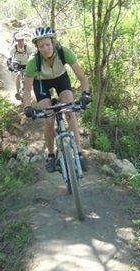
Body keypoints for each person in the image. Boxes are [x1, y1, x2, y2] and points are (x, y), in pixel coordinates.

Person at [22, 26, 91, 172]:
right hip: (41, 83)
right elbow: (27, 89)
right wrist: (27, 107)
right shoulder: (33, 61)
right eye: (41, 46)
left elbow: (83, 78)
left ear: (53, 42)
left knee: (70, 113)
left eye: (48, 44)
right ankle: (51, 156)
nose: (46, 48)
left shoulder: (64, 52)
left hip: (61, 79)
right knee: (48, 119)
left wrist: (85, 94)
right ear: (37, 48)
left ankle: (79, 154)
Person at [8, 31, 33, 100]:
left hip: (26, 62)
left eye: (22, 40)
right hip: (17, 62)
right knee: (18, 74)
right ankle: (18, 93)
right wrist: (9, 64)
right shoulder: (14, 47)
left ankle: (29, 91)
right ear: (16, 41)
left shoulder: (27, 46)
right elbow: (9, 55)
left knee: (28, 76)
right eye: (19, 40)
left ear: (23, 40)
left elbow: (33, 55)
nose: (20, 42)